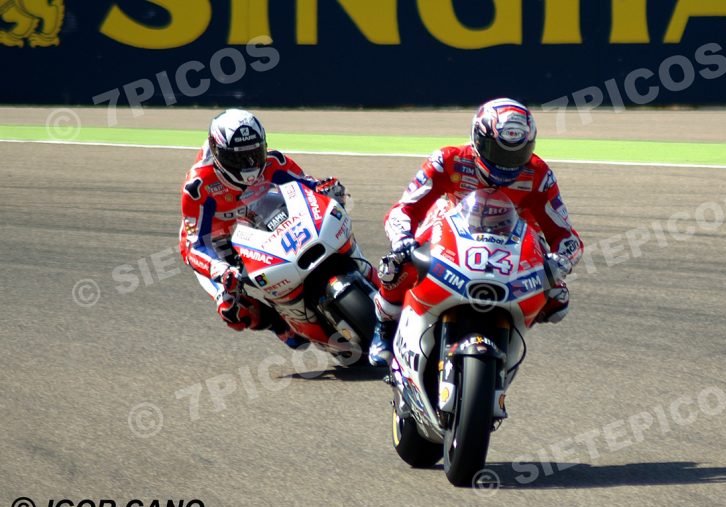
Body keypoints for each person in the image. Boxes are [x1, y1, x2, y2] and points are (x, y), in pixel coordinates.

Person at [369, 98, 584, 366]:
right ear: (478, 140)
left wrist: (561, 262)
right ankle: (385, 326)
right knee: (396, 265)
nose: (507, 163)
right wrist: (402, 240)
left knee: (557, 300)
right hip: (450, 230)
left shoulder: (539, 175)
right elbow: (403, 209)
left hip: (512, 239)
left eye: (517, 154)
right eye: (498, 151)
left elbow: (567, 236)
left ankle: (510, 331)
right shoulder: (447, 160)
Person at [179, 109, 346, 348]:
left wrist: (328, 188)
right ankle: (278, 324)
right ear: (218, 153)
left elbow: (309, 186)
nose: (249, 165)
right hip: (217, 241)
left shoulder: (273, 161)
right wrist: (220, 270)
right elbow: (193, 246)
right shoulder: (198, 186)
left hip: (257, 215)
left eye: (254, 154)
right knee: (232, 310)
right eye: (238, 159)